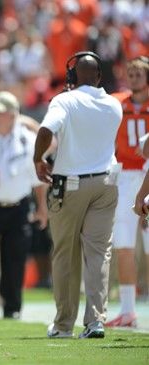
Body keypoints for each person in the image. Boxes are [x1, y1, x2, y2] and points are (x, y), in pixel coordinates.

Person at [34, 51, 122, 339]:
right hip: (106, 183)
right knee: (99, 254)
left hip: (71, 183)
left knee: (65, 254)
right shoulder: (113, 104)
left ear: (72, 76)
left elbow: (47, 128)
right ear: (99, 76)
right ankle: (95, 321)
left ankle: (63, 325)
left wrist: (38, 159)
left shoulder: (65, 100)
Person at [0, 91, 48, 320]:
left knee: (14, 259)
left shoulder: (28, 139)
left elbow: (38, 180)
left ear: (13, 115)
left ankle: (12, 308)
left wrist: (42, 208)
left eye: (0, 112)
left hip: (17, 207)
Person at [106, 57, 149, 328]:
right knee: (123, 243)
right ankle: (127, 309)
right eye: (130, 73)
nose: (132, 77)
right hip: (124, 177)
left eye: (138, 73)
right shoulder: (116, 102)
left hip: (148, 175)